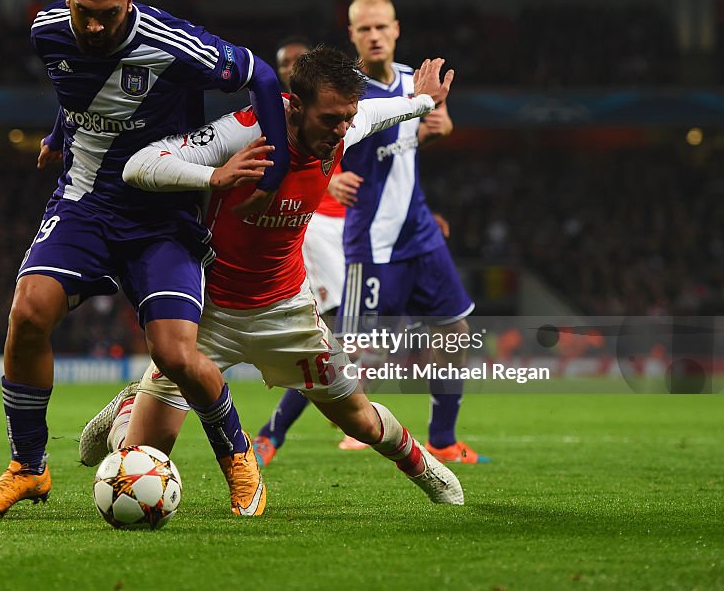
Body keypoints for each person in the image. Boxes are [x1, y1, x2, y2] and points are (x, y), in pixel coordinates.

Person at [0, 0, 290, 519]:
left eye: (108, 15)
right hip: (85, 204)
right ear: (68, 0)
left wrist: (279, 167)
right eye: (84, 13)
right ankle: (27, 468)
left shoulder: (176, 45)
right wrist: (56, 131)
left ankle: (239, 457)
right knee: (28, 313)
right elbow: (80, 94)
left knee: (175, 353)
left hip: (162, 215)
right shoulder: (47, 31)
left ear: (130, 3)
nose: (93, 26)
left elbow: (261, 74)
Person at [84, 47, 464, 506]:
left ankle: (426, 468)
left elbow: (382, 113)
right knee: (138, 460)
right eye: (331, 119)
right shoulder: (246, 130)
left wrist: (423, 103)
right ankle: (129, 410)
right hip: (211, 316)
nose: (342, 129)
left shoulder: (343, 126)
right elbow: (138, 165)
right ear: (295, 105)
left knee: (361, 421)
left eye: (348, 117)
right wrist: (214, 176)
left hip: (289, 313)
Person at [337, 0, 489, 464]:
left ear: (397, 29)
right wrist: (331, 180)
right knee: (360, 348)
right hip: (371, 240)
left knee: (454, 330)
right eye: (365, 28)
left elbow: (428, 129)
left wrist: (438, 127)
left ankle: (443, 437)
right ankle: (354, 425)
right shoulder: (344, 90)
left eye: (382, 26)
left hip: (419, 233)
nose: (375, 36)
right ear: (352, 36)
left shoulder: (412, 81)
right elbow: (315, 147)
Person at [251, 37, 364, 465]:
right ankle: (272, 435)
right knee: (333, 334)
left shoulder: (336, 106)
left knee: (344, 341)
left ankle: (344, 413)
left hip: (354, 228)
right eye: (285, 63)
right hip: (313, 226)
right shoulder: (270, 113)